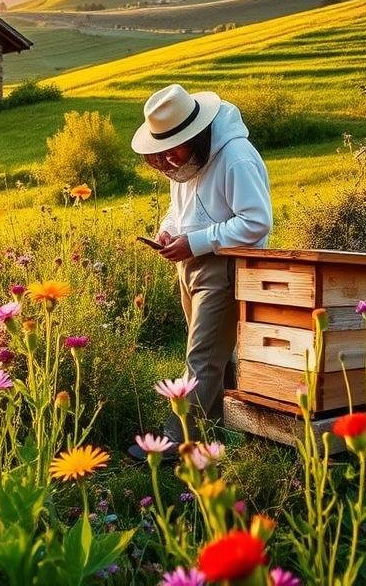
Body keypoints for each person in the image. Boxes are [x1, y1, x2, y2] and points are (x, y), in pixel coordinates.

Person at [127, 84, 272, 457]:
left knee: (202, 357)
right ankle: (223, 439)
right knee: (218, 359)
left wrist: (194, 242)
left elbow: (256, 222)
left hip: (227, 266)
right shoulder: (189, 161)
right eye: (162, 153)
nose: (169, 161)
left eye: (173, 149)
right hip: (190, 267)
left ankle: (176, 442)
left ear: (197, 132)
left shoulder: (236, 157)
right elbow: (182, 212)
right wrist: (170, 230)